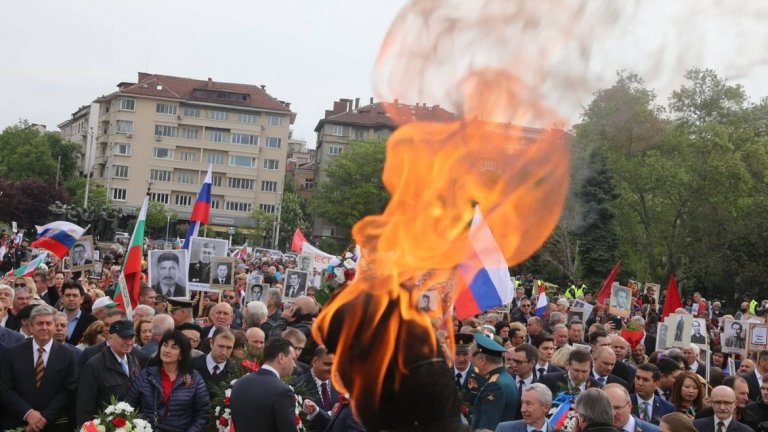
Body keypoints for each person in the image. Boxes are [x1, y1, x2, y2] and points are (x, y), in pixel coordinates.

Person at [0, 304, 78, 432]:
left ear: (54, 326)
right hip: (17, 422)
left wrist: (44, 418)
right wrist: (28, 413)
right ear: (31, 327)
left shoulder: (67, 355)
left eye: (49, 323)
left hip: (53, 424)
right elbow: (5, 388)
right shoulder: (13, 353)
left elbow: (68, 389)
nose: (44, 327)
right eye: (40, 323)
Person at [124, 330, 210, 432]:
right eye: (165, 345)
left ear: (182, 354)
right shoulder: (146, 374)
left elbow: (203, 413)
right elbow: (129, 405)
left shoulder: (193, 378)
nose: (167, 350)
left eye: (174, 347)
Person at [76, 320, 140, 427]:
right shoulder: (94, 365)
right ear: (110, 338)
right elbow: (85, 406)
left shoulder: (134, 361)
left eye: (131, 338)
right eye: (124, 338)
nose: (129, 342)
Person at [231, 337, 297, 432]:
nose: (295, 365)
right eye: (293, 359)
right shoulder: (283, 391)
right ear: (281, 357)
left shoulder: (239, 383)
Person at [471, 333, 519, 430]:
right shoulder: (504, 377)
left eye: (473, 360)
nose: (472, 364)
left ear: (482, 360)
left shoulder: (494, 386)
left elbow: (487, 426)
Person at [496, 384, 565, 432]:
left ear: (545, 407)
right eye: (522, 403)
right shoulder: (504, 429)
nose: (522, 409)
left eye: (528, 404)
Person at [295, 345, 340, 412]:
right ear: (315, 362)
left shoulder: (340, 386)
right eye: (328, 364)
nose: (332, 369)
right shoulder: (298, 385)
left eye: (335, 365)